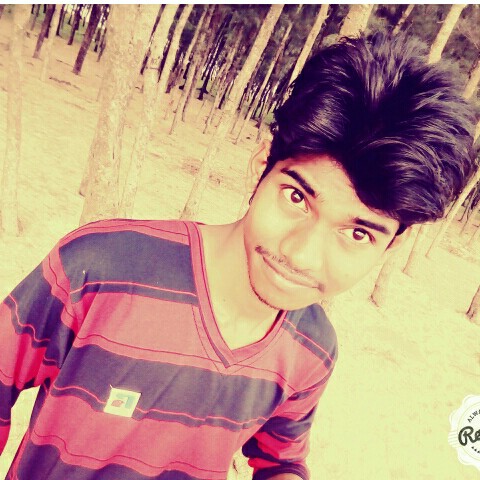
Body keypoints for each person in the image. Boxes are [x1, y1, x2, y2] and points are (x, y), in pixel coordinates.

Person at [0, 32, 476, 480]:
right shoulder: (100, 267)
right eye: (297, 198)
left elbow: (280, 458)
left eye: (357, 233)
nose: (302, 256)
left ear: (391, 245)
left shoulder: (313, 350)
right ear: (261, 167)